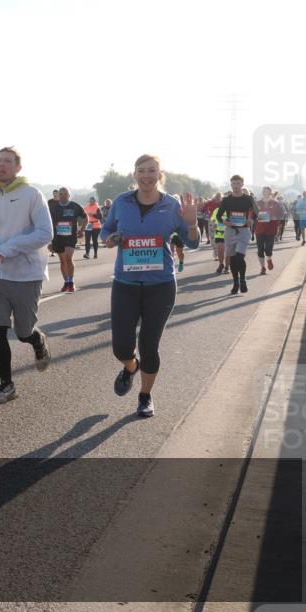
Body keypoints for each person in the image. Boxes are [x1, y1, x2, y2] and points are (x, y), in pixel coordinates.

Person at [100, 154, 199, 418]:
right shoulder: (122, 202)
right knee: (121, 347)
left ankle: (145, 396)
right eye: (141, 170)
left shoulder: (172, 204)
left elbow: (193, 243)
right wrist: (109, 238)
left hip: (161, 285)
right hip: (125, 284)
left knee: (149, 345)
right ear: (134, 175)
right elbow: (105, 231)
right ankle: (130, 367)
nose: (146, 175)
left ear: (159, 174)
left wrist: (191, 224)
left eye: (151, 170)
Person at [0, 147, 53, 404]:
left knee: (22, 332)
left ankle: (37, 339)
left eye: (7, 161)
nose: (1, 165)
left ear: (18, 167)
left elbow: (45, 233)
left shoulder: (32, 194)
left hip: (27, 274)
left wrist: (7, 249)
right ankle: (7, 385)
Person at [218, 175, 259, 294]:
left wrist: (250, 219)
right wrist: (225, 222)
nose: (235, 186)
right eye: (233, 184)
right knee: (232, 259)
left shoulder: (248, 199)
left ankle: (243, 280)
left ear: (242, 184)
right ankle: (235, 282)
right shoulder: (226, 200)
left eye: (237, 183)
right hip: (230, 230)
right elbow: (219, 216)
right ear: (231, 185)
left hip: (244, 230)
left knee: (240, 257)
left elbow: (256, 212)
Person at [49, 187, 86, 292]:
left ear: (69, 195)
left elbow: (85, 217)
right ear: (58, 195)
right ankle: (66, 282)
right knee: (62, 261)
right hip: (58, 238)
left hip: (70, 237)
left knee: (68, 258)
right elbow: (48, 222)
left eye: (65, 194)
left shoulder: (74, 206)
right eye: (61, 194)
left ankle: (71, 282)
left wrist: (82, 230)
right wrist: (49, 239)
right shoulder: (53, 208)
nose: (63, 195)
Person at [255, 186, 284, 275]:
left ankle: (269, 259)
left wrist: (276, 219)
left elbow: (281, 214)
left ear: (270, 193)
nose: (266, 193)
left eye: (268, 192)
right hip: (259, 229)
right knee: (260, 250)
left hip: (271, 229)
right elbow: (252, 215)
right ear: (262, 193)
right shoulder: (258, 203)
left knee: (268, 249)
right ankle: (263, 267)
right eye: (265, 192)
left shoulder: (275, 203)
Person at [209, 202, 228, 274]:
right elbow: (213, 219)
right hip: (219, 233)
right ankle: (221, 264)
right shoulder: (217, 210)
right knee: (220, 250)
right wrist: (214, 224)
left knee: (228, 252)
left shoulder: (229, 210)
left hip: (228, 233)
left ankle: (227, 266)